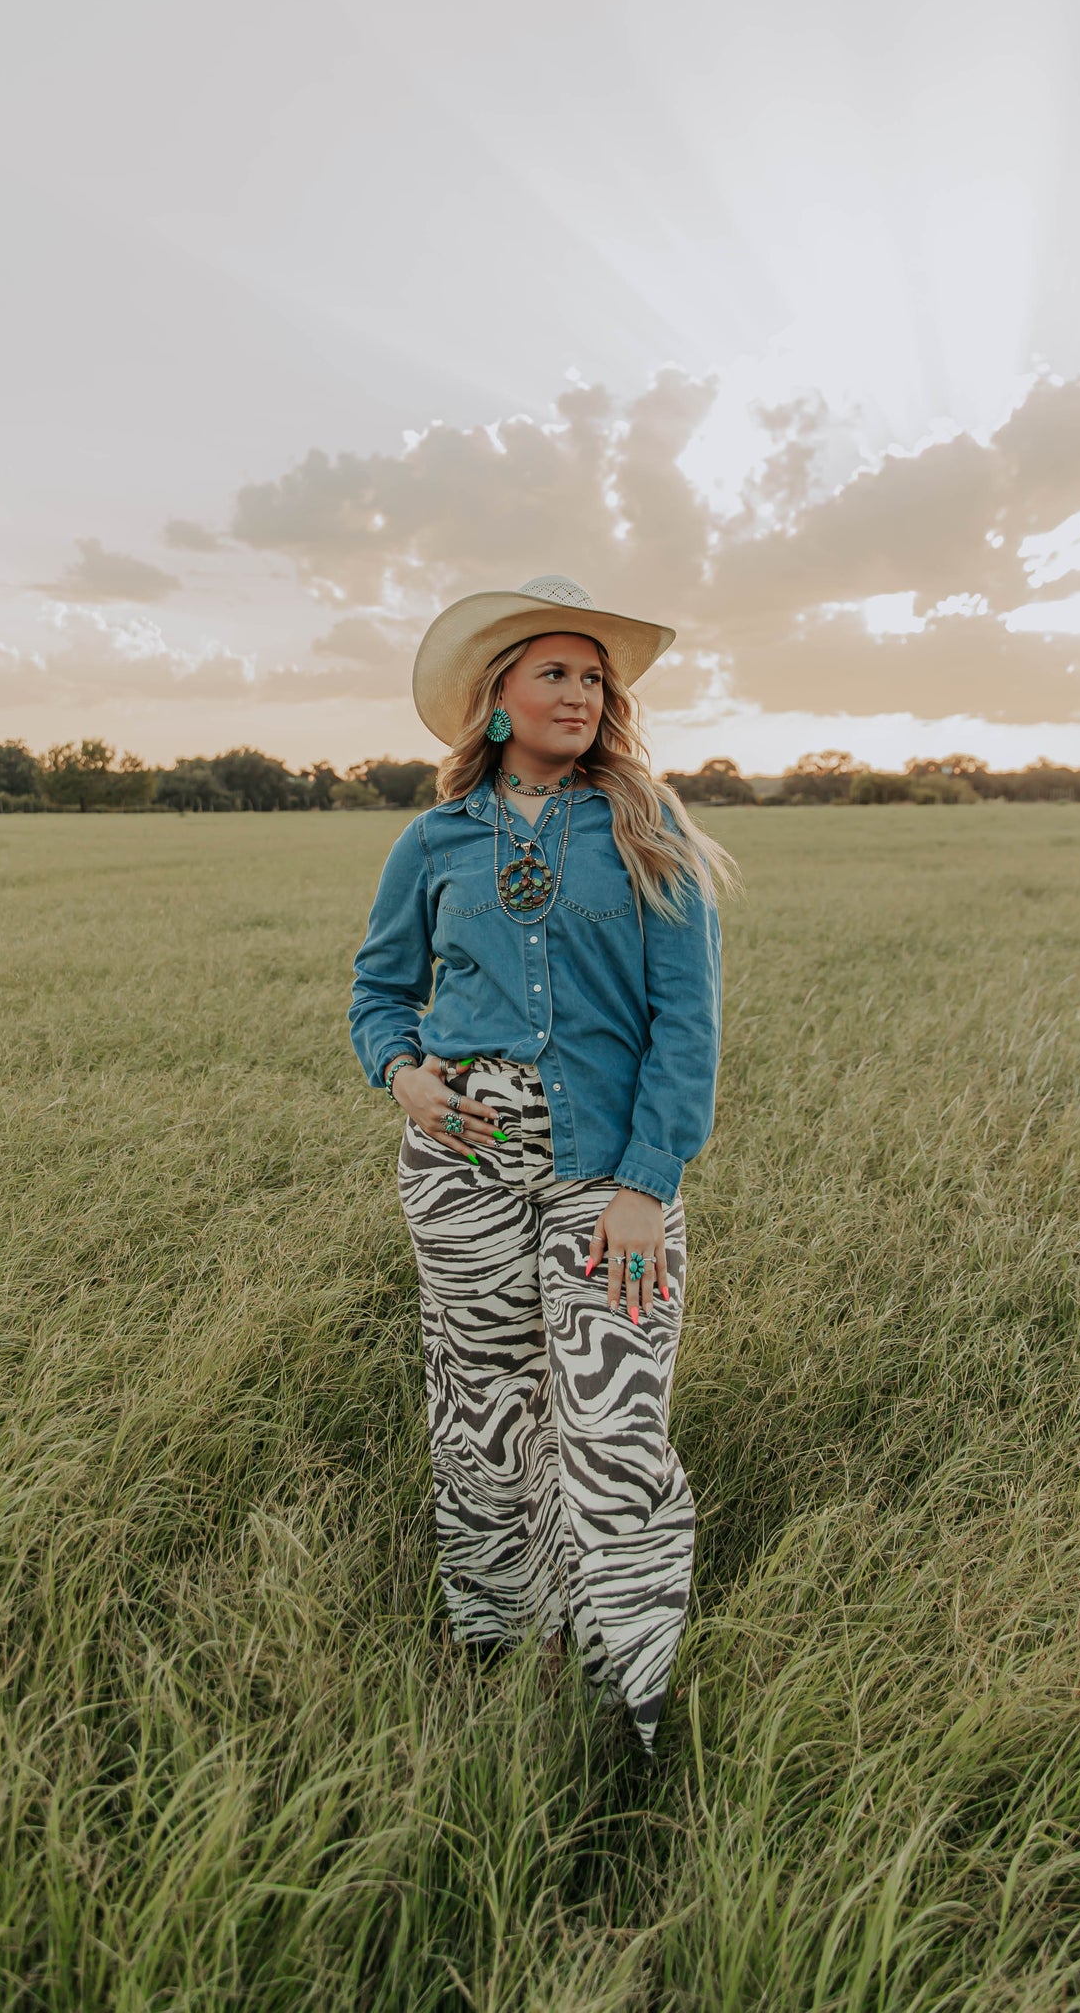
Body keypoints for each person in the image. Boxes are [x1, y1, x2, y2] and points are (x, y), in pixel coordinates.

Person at [347, 572, 739, 1754]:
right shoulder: (434, 839)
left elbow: (688, 1023)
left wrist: (643, 1185)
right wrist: (403, 1075)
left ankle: (631, 1697)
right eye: (553, 671)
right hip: (459, 1172)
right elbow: (377, 990)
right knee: (481, 1413)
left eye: (592, 676)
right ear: (498, 699)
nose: (579, 692)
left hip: (603, 1180)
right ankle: (499, 1644)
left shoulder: (642, 825)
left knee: (612, 1428)